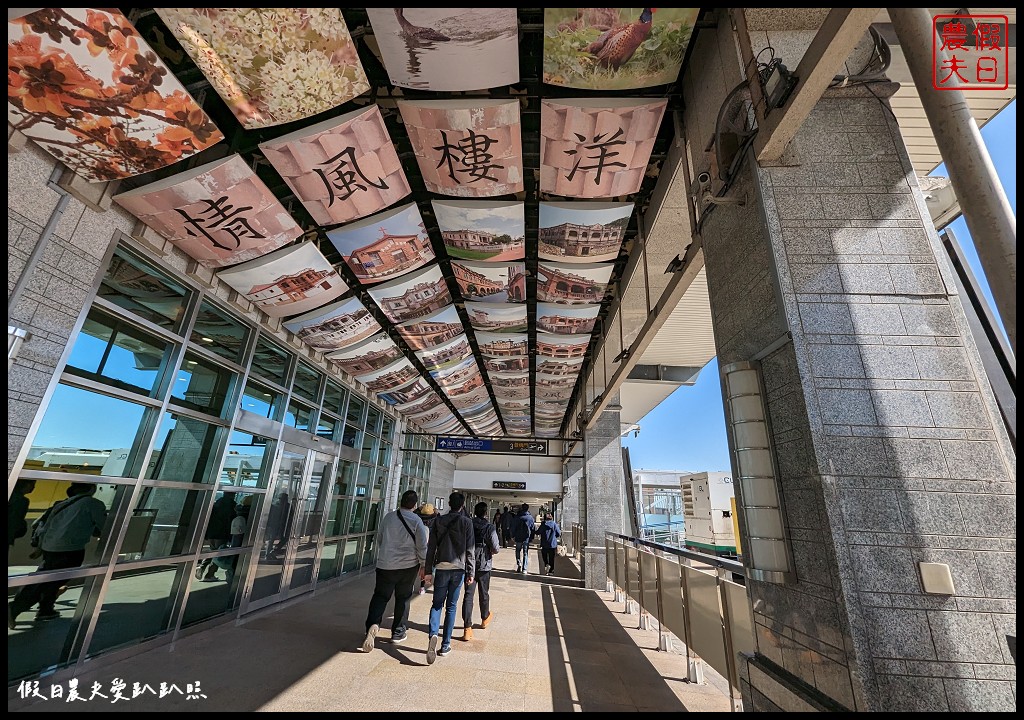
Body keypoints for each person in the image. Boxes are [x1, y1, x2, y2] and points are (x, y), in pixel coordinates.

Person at [9, 483, 107, 628]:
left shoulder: (62, 503)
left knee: (46, 577)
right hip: (70, 547)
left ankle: (45, 609)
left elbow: (46, 524)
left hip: (50, 546)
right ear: (92, 489)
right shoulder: (93, 503)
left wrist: (40, 546)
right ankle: (14, 608)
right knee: (50, 580)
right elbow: (104, 525)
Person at [360, 490, 428, 652]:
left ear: (401, 501)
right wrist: (424, 564)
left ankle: (372, 625)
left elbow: (380, 538)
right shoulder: (417, 520)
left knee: (380, 596)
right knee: (403, 598)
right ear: (415, 505)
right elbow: (422, 546)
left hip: (385, 565)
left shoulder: (388, 517)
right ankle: (398, 632)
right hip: (408, 567)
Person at [423, 492, 474, 664]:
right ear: (462, 505)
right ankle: (445, 645)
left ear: (449, 504)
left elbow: (431, 548)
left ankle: (433, 634)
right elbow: (470, 549)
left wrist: (428, 570)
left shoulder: (438, 521)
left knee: (437, 604)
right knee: (451, 607)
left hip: (441, 567)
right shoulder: (467, 522)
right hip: (458, 569)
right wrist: (471, 572)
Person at [461, 501, 500, 641]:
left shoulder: (468, 523)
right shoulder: (490, 527)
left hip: (469, 563)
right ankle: (484, 618)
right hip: (484, 564)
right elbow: (496, 547)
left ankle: (467, 628)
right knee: (484, 593)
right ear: (486, 513)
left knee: (468, 595)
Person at [196, 491, 236, 581]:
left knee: (213, 551)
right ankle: (209, 575)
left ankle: (202, 567)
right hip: (222, 533)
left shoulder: (216, 504)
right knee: (218, 555)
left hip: (212, 532)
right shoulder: (231, 505)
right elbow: (231, 520)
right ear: (232, 495)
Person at [414, 502, 438, 595]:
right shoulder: (435, 520)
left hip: (417, 546)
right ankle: (429, 586)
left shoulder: (417, 518)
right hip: (431, 546)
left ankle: (417, 586)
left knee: (417, 567)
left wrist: (418, 509)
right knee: (432, 567)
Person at [8, 479, 36, 560]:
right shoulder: (22, 501)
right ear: (26, 485)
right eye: (32, 484)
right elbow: (15, 521)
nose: (33, 487)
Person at [264, 491, 291, 559]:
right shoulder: (286, 506)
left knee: (274, 539)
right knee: (273, 539)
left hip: (279, 525)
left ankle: (270, 553)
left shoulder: (279, 506)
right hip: (279, 525)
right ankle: (270, 553)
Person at [512, 503, 536, 574]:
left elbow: (513, 527)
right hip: (526, 538)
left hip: (518, 536)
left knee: (517, 550)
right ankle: (524, 568)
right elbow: (532, 529)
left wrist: (512, 535)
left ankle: (519, 563)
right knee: (525, 553)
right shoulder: (530, 518)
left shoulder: (517, 517)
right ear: (528, 509)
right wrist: (531, 537)